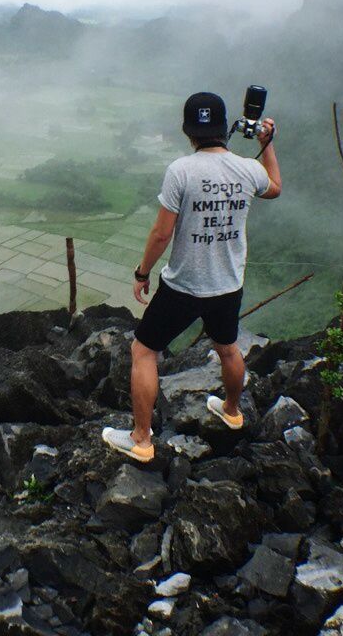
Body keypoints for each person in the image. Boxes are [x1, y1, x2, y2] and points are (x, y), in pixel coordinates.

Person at [102, 90, 281, 462]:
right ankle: (231, 411)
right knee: (228, 348)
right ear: (224, 127)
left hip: (183, 284)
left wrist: (142, 272)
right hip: (228, 284)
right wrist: (266, 145)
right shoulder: (248, 169)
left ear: (189, 131)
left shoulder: (181, 171)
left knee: (144, 350)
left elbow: (162, 233)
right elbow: (275, 188)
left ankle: (141, 439)